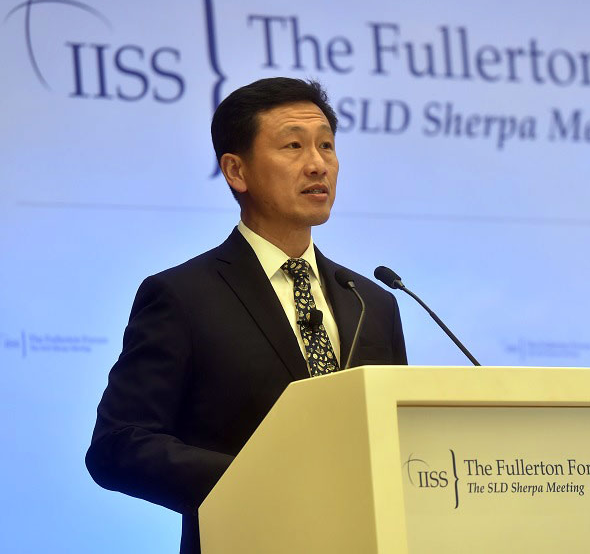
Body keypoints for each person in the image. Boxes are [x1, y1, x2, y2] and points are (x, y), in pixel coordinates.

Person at [86, 78, 408, 553]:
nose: (318, 164)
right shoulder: (182, 296)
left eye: (326, 145)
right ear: (236, 171)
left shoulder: (372, 301)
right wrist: (258, 478)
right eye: (293, 146)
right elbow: (119, 445)